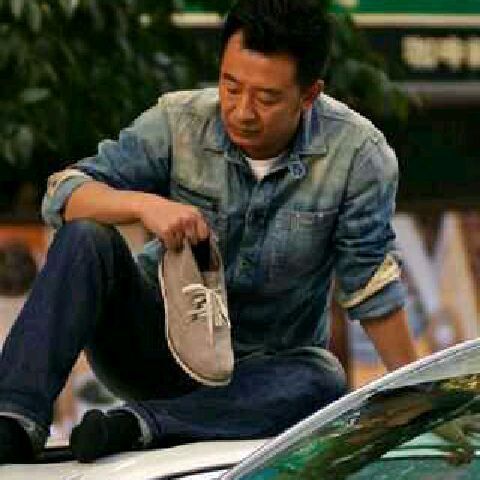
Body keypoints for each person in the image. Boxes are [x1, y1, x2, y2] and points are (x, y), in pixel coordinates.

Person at [0, 0, 418, 464]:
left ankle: (141, 426)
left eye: (266, 98)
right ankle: (14, 419)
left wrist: (423, 402)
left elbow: (371, 289)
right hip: (154, 345)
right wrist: (144, 205)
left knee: (324, 378)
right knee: (86, 237)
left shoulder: (358, 155)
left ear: (309, 95)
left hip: (260, 378)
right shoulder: (179, 120)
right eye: (230, 86)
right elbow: (63, 194)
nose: (242, 111)